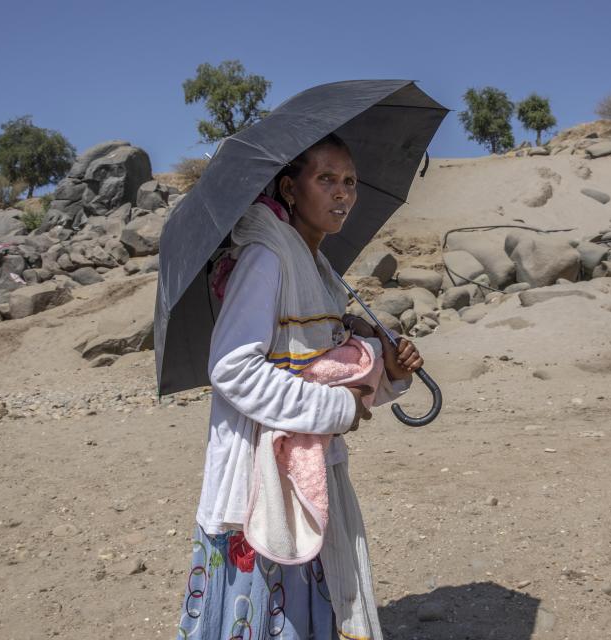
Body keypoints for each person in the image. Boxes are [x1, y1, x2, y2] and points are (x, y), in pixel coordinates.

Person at [176, 133, 423, 640]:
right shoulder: (266, 258)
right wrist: (337, 409)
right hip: (259, 471)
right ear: (290, 189)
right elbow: (233, 369)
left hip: (308, 464)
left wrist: (390, 371)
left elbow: (322, 363)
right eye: (326, 179)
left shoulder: (319, 267)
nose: (343, 194)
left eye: (350, 182)